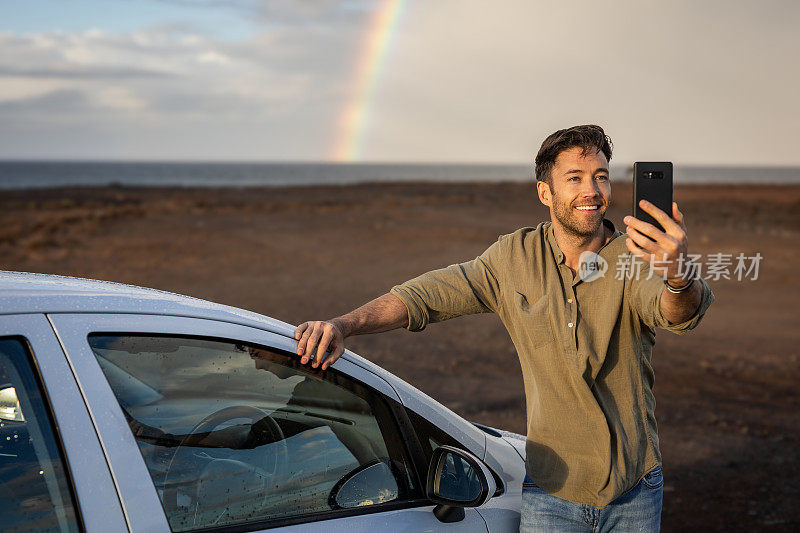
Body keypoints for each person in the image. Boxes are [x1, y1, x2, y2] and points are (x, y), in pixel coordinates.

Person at [293, 125, 714, 532]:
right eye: (576, 178)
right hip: (552, 492)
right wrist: (343, 325)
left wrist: (677, 275)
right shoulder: (514, 258)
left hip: (633, 491)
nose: (592, 190)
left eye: (600, 177)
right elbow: (424, 296)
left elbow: (676, 312)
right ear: (545, 192)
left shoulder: (636, 256)